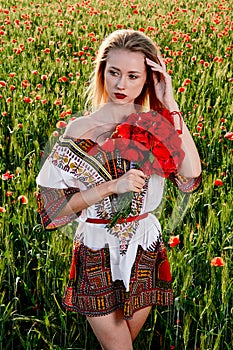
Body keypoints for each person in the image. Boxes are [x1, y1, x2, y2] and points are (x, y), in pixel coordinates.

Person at [36, 29, 202, 350]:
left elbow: (190, 175)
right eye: (113, 73)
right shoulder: (80, 130)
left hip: (144, 246)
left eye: (132, 75)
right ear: (102, 73)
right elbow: (53, 209)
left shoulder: (156, 122)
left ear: (149, 78)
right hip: (96, 249)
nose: (121, 85)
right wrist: (113, 186)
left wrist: (170, 102)